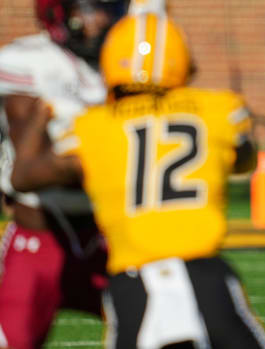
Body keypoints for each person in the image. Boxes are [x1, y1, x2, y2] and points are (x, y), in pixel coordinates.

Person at [10, 12, 265, 349]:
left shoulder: (95, 127)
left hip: (132, 283)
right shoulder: (218, 109)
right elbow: (244, 160)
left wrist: (39, 115)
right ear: (183, 62)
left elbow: (24, 176)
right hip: (204, 274)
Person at [0, 1, 127, 348]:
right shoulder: (27, 61)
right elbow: (30, 170)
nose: (101, 19)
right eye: (90, 8)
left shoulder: (124, 61)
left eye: (109, 7)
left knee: (162, 331)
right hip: (38, 240)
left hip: (108, 237)